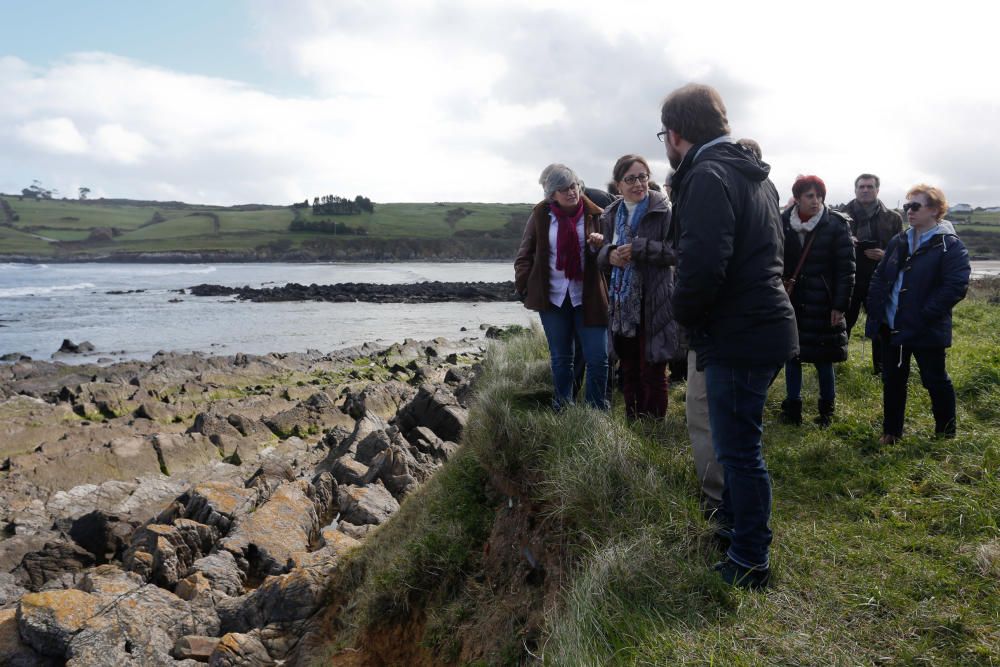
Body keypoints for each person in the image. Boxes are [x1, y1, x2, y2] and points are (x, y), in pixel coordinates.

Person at [661, 83, 798, 590]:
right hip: (763, 323)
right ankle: (737, 534)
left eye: (664, 135)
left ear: (675, 134)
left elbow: (701, 268)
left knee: (739, 451)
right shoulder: (755, 176)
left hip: (739, 331)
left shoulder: (706, 175)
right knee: (737, 444)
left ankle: (749, 559)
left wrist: (683, 321)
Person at [865, 184, 970, 444]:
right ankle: (891, 433)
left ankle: (945, 434)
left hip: (926, 327)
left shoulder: (949, 245)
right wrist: (875, 307)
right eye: (906, 206)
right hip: (892, 325)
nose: (909, 211)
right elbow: (880, 276)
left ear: (935, 210)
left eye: (915, 206)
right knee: (892, 380)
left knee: (934, 380)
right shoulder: (899, 240)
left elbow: (955, 286)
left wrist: (925, 314)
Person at [514, 164, 609, 410]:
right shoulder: (540, 216)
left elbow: (610, 254)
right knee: (561, 359)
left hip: (588, 297)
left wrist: (598, 247)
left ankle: (596, 413)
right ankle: (563, 409)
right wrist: (524, 288)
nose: (571, 192)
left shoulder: (596, 214)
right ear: (551, 194)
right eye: (563, 188)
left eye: (573, 186)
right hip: (553, 298)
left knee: (598, 358)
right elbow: (525, 255)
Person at [594, 154, 679, 421]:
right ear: (618, 185)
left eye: (643, 177)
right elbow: (601, 256)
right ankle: (634, 423)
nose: (638, 184)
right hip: (622, 306)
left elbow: (677, 251)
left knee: (652, 370)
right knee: (629, 369)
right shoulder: (610, 215)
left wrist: (640, 248)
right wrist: (609, 255)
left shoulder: (663, 210)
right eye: (630, 179)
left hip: (654, 301)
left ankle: (654, 429)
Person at [779, 175, 855, 427]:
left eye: (819, 195)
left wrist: (840, 305)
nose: (816, 200)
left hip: (823, 301)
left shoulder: (835, 224)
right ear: (798, 198)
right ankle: (793, 408)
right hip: (792, 300)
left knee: (824, 357)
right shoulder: (783, 223)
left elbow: (846, 269)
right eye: (809, 195)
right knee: (792, 355)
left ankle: (827, 410)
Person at [839, 173, 903, 374]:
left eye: (869, 186)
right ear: (855, 189)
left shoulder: (893, 218)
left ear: (877, 189)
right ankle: (834, 365)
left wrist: (885, 255)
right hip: (848, 278)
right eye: (861, 187)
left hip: (880, 279)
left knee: (881, 324)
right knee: (842, 322)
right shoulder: (840, 216)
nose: (865, 190)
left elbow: (901, 252)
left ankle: (882, 368)